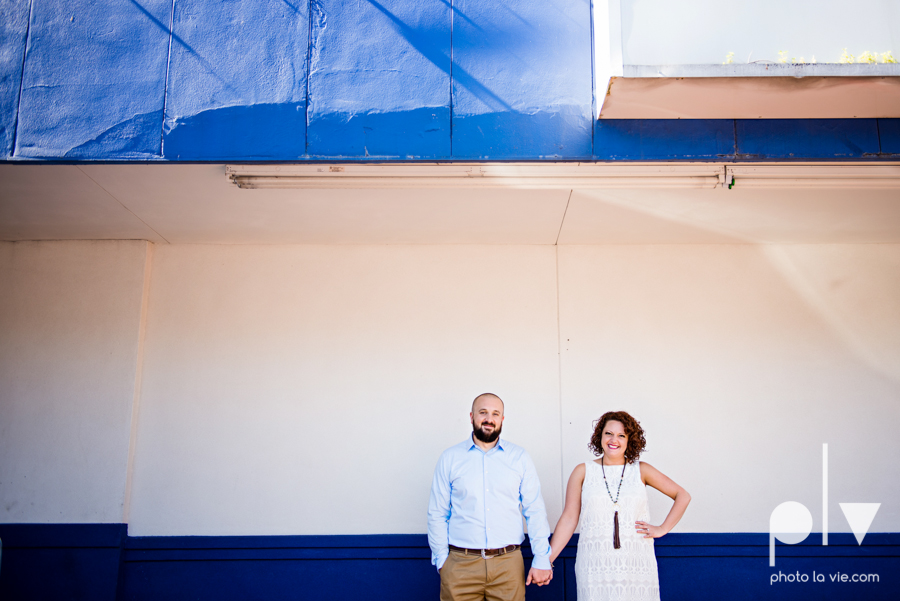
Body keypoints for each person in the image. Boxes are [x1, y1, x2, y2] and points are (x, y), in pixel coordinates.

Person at [548, 411, 690, 601]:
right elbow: (569, 518)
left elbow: (683, 495)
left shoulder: (641, 470)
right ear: (600, 436)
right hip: (595, 564)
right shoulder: (583, 471)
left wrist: (663, 528)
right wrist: (546, 559)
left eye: (621, 435)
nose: (614, 439)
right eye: (609, 433)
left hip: (636, 562)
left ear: (629, 440)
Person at [428, 393, 554, 601]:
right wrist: (443, 561)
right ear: (471, 417)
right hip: (460, 565)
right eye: (483, 412)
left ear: (502, 419)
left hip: (508, 565)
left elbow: (535, 510)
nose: (489, 418)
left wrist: (542, 557)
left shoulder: (519, 458)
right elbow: (437, 513)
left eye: (495, 413)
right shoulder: (450, 458)